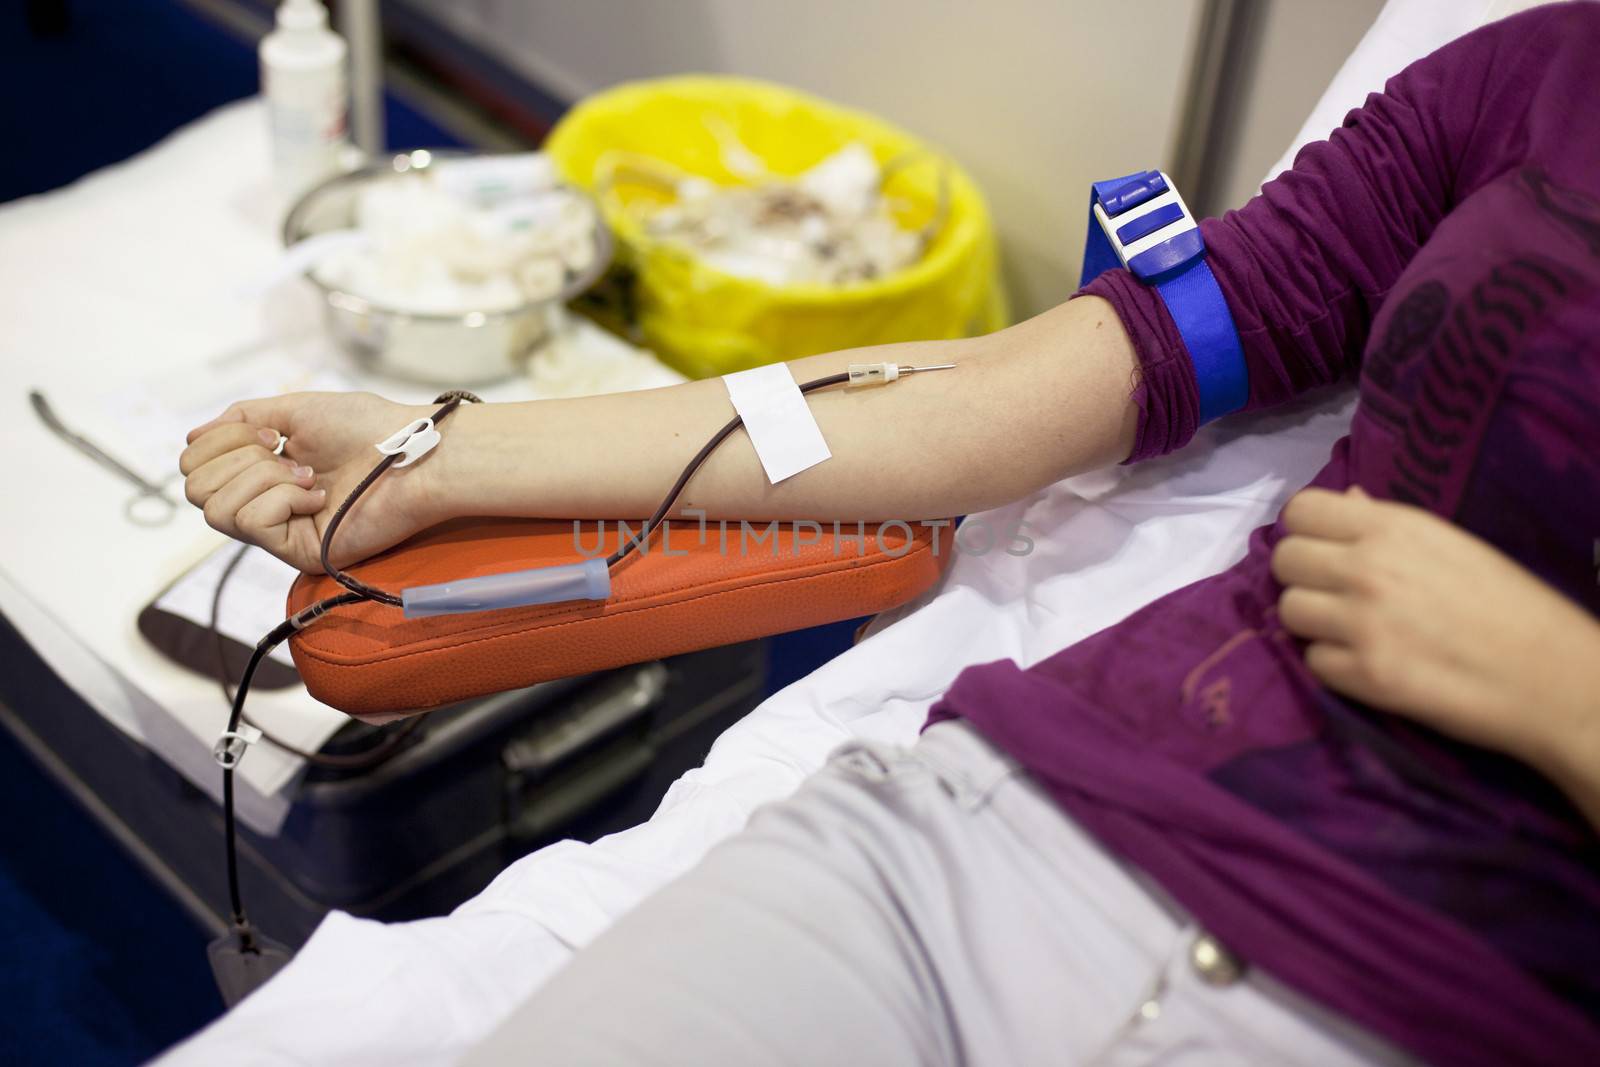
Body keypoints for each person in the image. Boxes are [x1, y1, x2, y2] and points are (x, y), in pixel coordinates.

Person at [179, 5, 1600, 1063]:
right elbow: (1006, 395)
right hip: (998, 829)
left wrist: (1561, 686)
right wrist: (441, 454)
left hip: (1428, 1000)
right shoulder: (1541, 77)